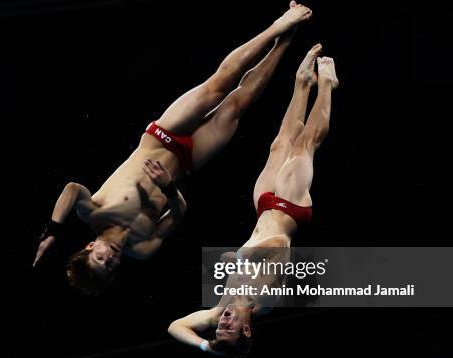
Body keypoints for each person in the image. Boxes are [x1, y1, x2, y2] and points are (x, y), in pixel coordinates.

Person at [33, 2, 314, 295]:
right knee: (238, 104)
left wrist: (53, 229)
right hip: (188, 160)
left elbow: (72, 189)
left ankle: (279, 24)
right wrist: (168, 188)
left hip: (162, 135)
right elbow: (180, 212)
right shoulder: (141, 248)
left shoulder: (94, 214)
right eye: (112, 265)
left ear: (91, 246)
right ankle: (287, 38)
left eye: (101, 258)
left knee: (220, 83)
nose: (113, 257)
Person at [168, 44, 338, 358]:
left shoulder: (220, 309)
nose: (222, 324)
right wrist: (243, 257)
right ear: (247, 329)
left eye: (218, 329)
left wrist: (207, 345)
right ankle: (327, 85)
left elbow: (176, 326)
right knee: (304, 144)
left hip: (264, 206)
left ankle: (303, 83)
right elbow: (277, 246)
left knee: (280, 143)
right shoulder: (267, 300)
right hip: (291, 210)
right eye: (228, 329)